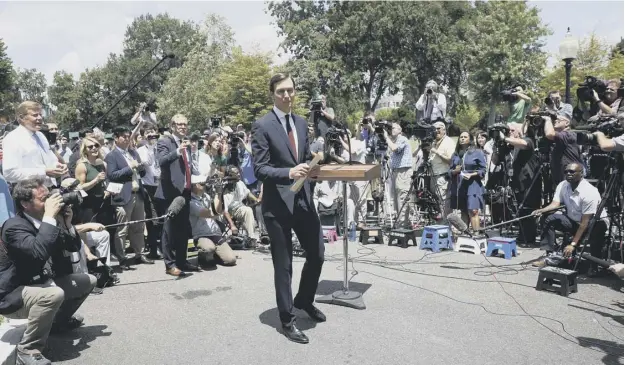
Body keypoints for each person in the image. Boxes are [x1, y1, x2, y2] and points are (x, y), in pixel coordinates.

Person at [251, 72, 325, 344]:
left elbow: (304, 159)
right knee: (283, 266)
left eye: (291, 90)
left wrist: (312, 169)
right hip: (277, 205)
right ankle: (287, 319)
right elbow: (260, 169)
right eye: (281, 91)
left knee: (317, 254)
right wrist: (289, 172)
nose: (287, 95)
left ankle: (304, 299)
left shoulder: (302, 122)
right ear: (272, 93)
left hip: (303, 200)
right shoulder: (262, 125)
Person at [0, 178, 97, 365]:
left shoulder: (49, 221)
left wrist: (67, 224)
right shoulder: (14, 226)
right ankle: (28, 350)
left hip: (42, 283)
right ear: (25, 204)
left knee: (88, 280)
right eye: (44, 199)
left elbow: (73, 247)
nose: (52, 202)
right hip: (14, 294)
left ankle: (57, 323)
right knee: (53, 294)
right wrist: (50, 218)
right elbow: (38, 254)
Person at [531, 163, 607, 274]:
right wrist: (541, 210)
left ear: (581, 174)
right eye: (566, 171)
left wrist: (572, 244)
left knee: (597, 228)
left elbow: (585, 223)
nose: (568, 174)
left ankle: (594, 265)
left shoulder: (589, 192)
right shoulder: (563, 185)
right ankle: (550, 256)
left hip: (593, 223)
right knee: (548, 218)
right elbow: (555, 204)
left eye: (572, 172)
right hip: (574, 221)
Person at [155, 114, 202, 277]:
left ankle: (182, 261)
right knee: (168, 230)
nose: (183, 127)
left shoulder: (187, 144)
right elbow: (161, 161)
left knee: (183, 229)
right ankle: (169, 264)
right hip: (170, 193)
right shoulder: (164, 142)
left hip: (185, 191)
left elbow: (188, 167)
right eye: (179, 124)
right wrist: (177, 151)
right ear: (172, 126)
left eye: (185, 124)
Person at [105, 127, 154, 266]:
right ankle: (122, 257)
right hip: (123, 195)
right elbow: (112, 175)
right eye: (123, 137)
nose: (127, 139)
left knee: (138, 226)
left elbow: (142, 173)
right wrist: (129, 167)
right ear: (116, 138)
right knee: (122, 228)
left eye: (128, 136)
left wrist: (140, 167)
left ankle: (139, 253)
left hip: (138, 193)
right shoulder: (112, 156)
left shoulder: (133, 152)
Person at [2, 101, 68, 187]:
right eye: (35, 115)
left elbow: (50, 159)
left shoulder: (41, 136)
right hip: (29, 195)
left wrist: (58, 166)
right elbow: (9, 173)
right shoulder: (12, 139)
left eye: (40, 114)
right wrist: (44, 172)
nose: (40, 118)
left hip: (49, 189)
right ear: (22, 117)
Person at [449, 132, 486, 231]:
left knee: (473, 211)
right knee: (464, 211)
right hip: (460, 186)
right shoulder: (456, 154)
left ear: (470, 140)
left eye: (465, 137)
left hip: (473, 185)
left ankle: (476, 235)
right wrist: (454, 171)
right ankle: (465, 235)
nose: (462, 139)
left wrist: (471, 174)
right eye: (461, 137)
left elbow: (483, 170)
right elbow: (449, 171)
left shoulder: (477, 152)